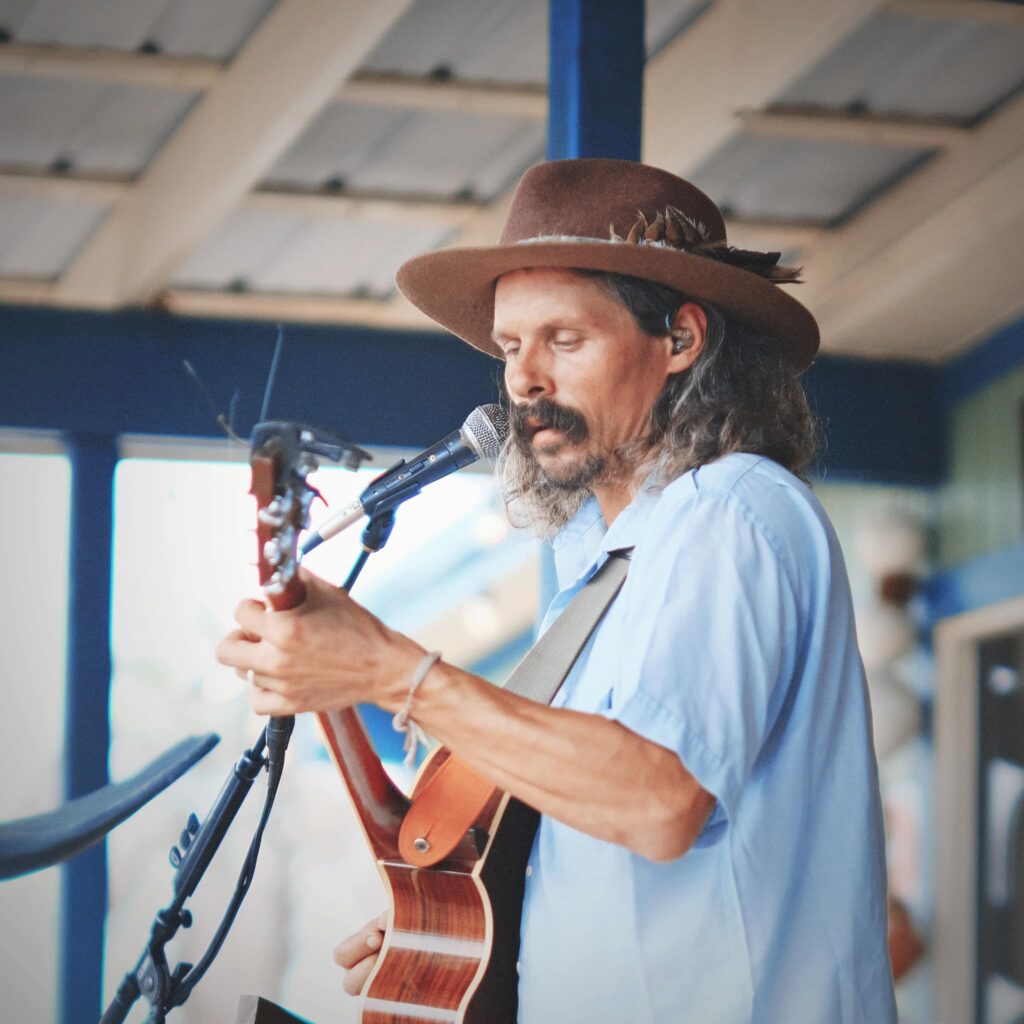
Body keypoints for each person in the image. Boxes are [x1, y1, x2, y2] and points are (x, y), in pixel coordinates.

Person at [216, 159, 897, 1023]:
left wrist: (394, 671)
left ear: (680, 342)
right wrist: (477, 938)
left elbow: (656, 803)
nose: (522, 381)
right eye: (509, 347)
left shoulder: (731, 509)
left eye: (563, 341)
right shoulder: (602, 569)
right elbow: (602, 851)